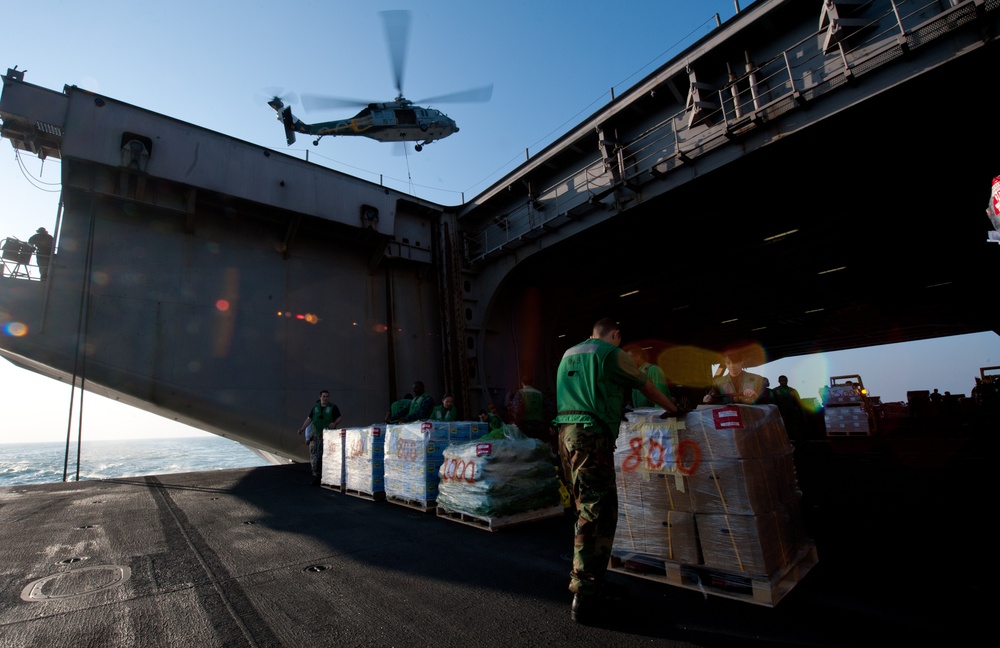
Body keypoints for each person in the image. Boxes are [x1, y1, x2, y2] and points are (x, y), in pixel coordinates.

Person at [553, 317, 680, 624]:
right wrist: (673, 409)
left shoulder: (569, 353)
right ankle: (585, 595)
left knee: (586, 509)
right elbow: (645, 385)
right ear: (616, 335)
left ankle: (593, 579)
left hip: (565, 436)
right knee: (599, 512)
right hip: (590, 435)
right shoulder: (610, 353)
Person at [297, 389, 342, 486]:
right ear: (320, 397)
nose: (325, 398)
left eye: (327, 396)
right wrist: (302, 429)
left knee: (327, 455)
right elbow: (309, 419)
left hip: (328, 436)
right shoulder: (315, 408)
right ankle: (317, 476)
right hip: (316, 435)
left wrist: (335, 423)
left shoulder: (333, 407)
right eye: (324, 396)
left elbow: (339, 417)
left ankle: (329, 476)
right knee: (315, 456)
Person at [702, 349, 767, 405]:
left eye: (735, 362)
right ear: (725, 363)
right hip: (729, 417)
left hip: (751, 416)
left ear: (742, 362)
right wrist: (709, 399)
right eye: (728, 363)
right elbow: (713, 398)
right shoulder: (718, 382)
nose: (732, 366)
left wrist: (755, 395)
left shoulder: (757, 379)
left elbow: (766, 399)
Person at [508, 376, 556, 450]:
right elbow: (551, 408)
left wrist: (515, 422)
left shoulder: (520, 393)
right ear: (532, 383)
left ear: (522, 383)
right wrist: (550, 425)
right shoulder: (540, 393)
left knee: (526, 449)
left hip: (525, 426)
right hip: (539, 425)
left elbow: (516, 409)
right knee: (538, 447)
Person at [771, 374, 805, 441]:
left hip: (793, 412)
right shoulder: (775, 391)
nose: (783, 382)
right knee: (784, 429)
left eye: (785, 380)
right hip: (781, 413)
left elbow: (799, 402)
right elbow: (773, 403)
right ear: (779, 381)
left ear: (787, 381)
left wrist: (802, 413)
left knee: (796, 429)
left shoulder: (792, 390)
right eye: (782, 380)